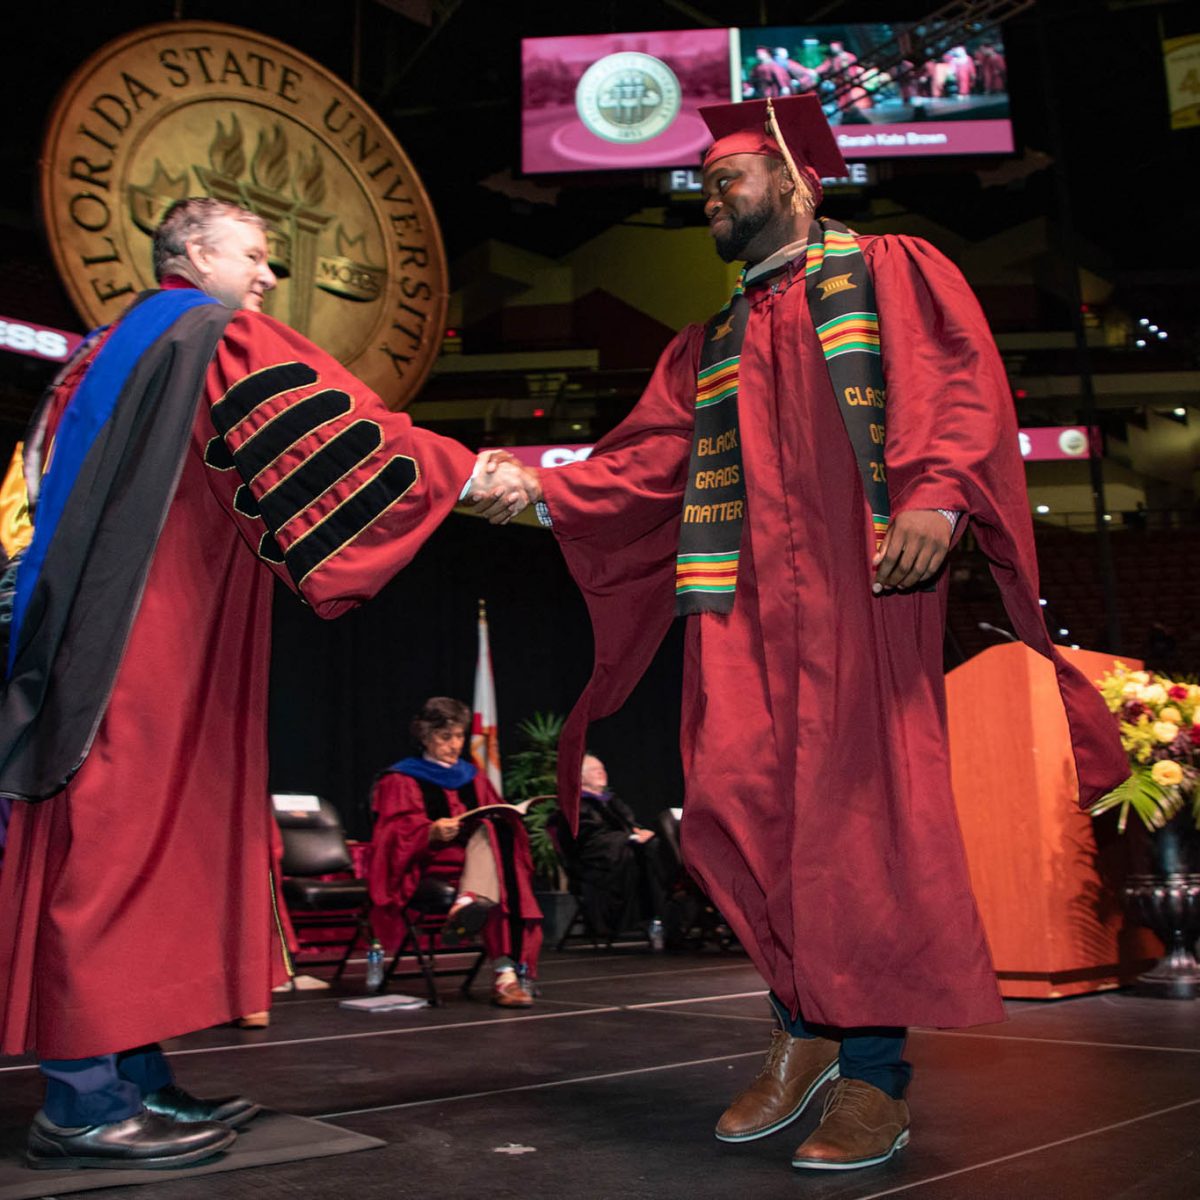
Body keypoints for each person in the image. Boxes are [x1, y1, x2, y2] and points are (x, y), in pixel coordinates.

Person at [473, 96, 1128, 1172]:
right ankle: (804, 1026)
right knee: (740, 812)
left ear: (796, 178)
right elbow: (639, 465)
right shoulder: (712, 339)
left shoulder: (890, 270)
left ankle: (875, 1075)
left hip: (861, 595)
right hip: (739, 610)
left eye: (729, 177)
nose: (711, 195)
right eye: (705, 182)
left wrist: (937, 493)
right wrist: (533, 488)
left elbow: (955, 382)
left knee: (860, 834)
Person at [0, 198, 512, 1170]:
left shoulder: (101, 355)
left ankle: (135, 1081)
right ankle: (78, 1103)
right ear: (192, 253)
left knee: (139, 847)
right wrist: (463, 473)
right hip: (141, 640)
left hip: (84, 632)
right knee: (113, 852)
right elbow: (323, 436)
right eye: (257, 254)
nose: (270, 276)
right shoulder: (208, 330)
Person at [369, 697, 542, 1007]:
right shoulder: (401, 778)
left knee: (494, 836)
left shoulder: (473, 776)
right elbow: (391, 834)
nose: (455, 744)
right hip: (431, 862)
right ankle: (504, 976)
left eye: (460, 736)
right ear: (425, 736)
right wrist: (430, 832)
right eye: (445, 736)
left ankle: (468, 904)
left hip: (474, 863)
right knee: (499, 878)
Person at [566, 753, 665, 944]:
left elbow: (628, 824)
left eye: (602, 769)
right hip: (597, 864)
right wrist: (631, 837)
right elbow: (589, 840)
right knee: (647, 855)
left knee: (657, 845)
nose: (602, 773)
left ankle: (668, 910)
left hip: (622, 851)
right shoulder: (577, 806)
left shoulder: (611, 801)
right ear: (581, 777)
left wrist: (638, 832)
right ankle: (657, 917)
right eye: (595, 770)